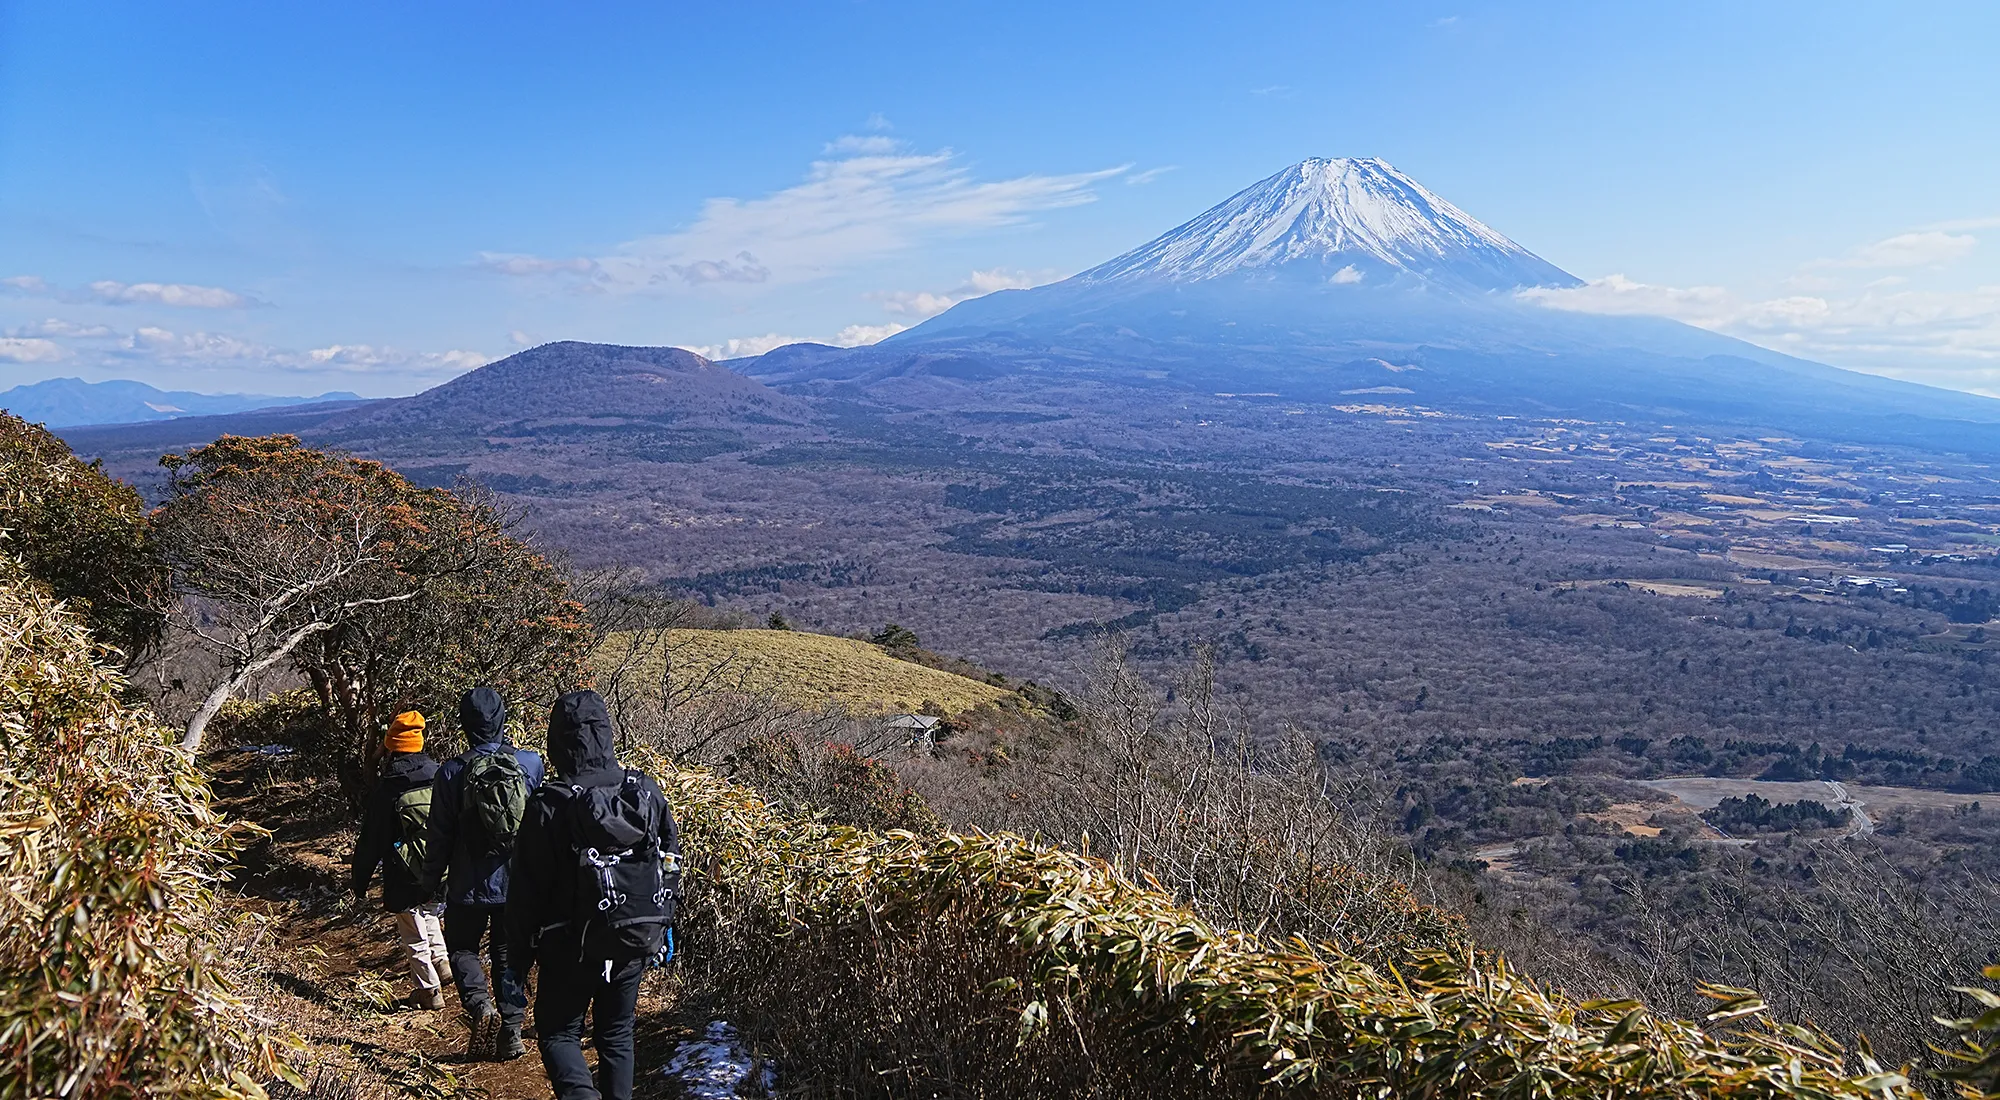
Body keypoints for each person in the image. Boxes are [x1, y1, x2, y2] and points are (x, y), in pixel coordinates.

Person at [508, 690, 681, 1100]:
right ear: (606, 733)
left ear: (556, 741)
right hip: (632, 936)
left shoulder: (549, 803)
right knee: (617, 1034)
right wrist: (665, 922)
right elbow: (670, 862)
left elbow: (526, 893)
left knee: (558, 1033)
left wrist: (516, 963)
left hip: (567, 946)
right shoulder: (644, 791)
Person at [423, 686, 544, 1061]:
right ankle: (511, 1030)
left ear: (465, 725)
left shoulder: (451, 772)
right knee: (509, 954)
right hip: (516, 883)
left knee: (462, 948)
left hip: (467, 885)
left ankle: (479, 1005)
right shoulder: (530, 764)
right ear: (503, 720)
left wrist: (430, 882)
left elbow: (439, 835)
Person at [349, 710, 447, 1010]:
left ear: (392, 745)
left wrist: (360, 881)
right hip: (439, 863)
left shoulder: (389, 786)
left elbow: (371, 840)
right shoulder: (440, 774)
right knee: (429, 909)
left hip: (403, 871)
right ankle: (442, 961)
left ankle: (429, 990)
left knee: (411, 926)